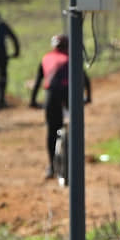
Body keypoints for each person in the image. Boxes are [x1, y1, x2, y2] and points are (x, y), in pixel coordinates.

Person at [29, 34, 92, 179]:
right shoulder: (72, 59)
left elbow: (38, 81)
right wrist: (88, 98)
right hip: (70, 94)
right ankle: (77, 160)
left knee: (52, 130)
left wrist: (32, 101)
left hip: (51, 95)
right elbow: (86, 80)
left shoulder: (46, 58)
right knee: (77, 127)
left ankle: (51, 166)